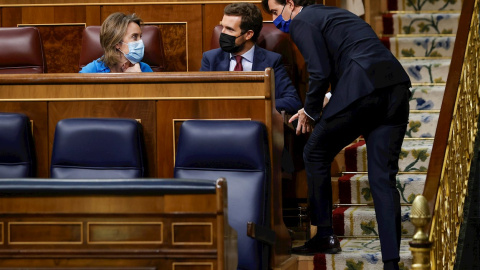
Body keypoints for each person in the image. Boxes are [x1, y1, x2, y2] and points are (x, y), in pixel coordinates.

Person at [262, 0, 411, 269]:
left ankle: (325, 235)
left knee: (315, 152)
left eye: (275, 11)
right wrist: (328, 98)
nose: (275, 20)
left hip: (362, 90)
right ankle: (391, 262)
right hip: (395, 87)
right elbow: (351, 57)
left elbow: (319, 72)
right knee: (382, 179)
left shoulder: (302, 21)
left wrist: (308, 111)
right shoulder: (334, 14)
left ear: (291, 4)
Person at [200, 2, 302, 114]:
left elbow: (293, 101)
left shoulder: (272, 61)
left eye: (230, 29)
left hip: (256, 123)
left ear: (248, 34)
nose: (222, 33)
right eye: (222, 27)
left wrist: (252, 104)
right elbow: (199, 98)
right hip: (220, 120)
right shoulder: (210, 59)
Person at [80, 12, 153, 73]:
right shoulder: (91, 71)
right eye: (134, 36)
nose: (140, 42)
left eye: (140, 37)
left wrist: (138, 78)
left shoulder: (144, 69)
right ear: (116, 43)